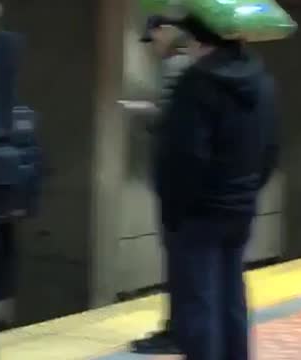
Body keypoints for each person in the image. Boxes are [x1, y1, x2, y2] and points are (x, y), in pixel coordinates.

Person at [154, 14, 279, 360]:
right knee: (230, 296)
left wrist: (174, 208)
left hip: (197, 212)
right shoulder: (262, 81)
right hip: (240, 207)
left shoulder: (196, 82)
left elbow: (186, 156)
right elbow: (270, 149)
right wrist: (248, 191)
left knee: (196, 304)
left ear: (198, 42)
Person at [128, 15, 192, 355]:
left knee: (180, 261)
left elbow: (169, 119)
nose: (152, 48)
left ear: (165, 32)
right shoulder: (193, 65)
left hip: (177, 182)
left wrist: (143, 113)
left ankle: (177, 331)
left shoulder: (176, 66)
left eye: (151, 39)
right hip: (197, 186)